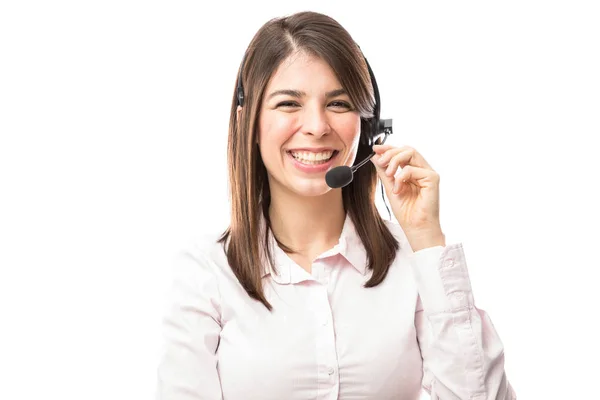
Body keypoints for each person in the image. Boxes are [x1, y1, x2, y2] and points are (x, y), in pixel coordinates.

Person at [156, 10, 517, 400]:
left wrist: (428, 240)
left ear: (369, 126)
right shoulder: (207, 272)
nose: (316, 126)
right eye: (289, 104)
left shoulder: (413, 265)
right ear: (248, 123)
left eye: (339, 104)